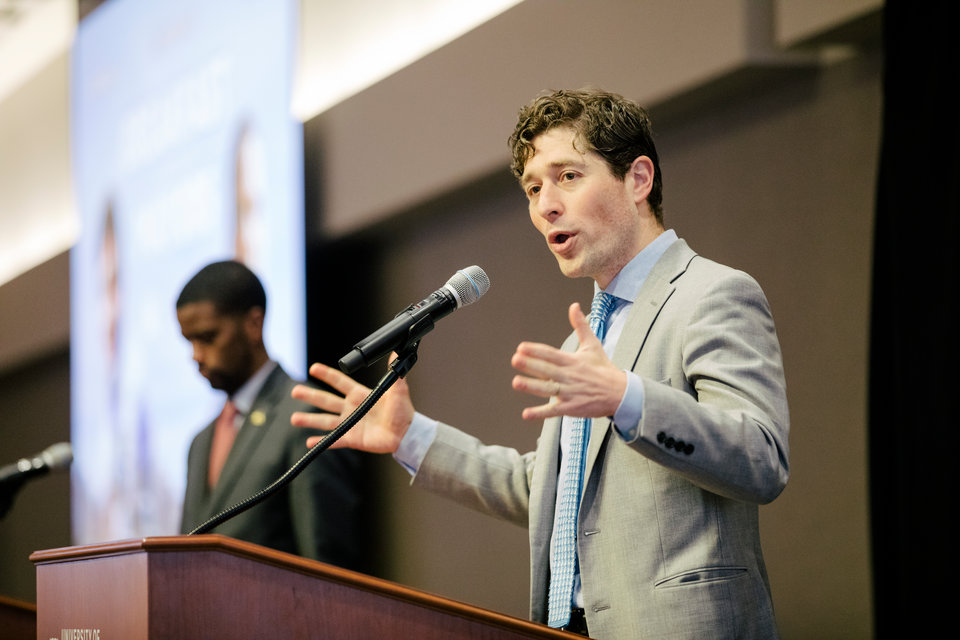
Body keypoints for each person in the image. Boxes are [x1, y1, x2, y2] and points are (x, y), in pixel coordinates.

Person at [290, 89, 790, 639]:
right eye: (533, 188)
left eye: (568, 176)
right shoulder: (585, 345)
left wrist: (628, 397)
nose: (545, 205)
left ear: (639, 179)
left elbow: (761, 458)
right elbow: (552, 492)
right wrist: (412, 436)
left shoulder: (711, 294)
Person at [176, 260, 364, 570]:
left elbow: (327, 568)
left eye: (208, 338)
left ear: (253, 323)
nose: (196, 356)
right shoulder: (200, 442)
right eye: (190, 342)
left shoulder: (305, 415)